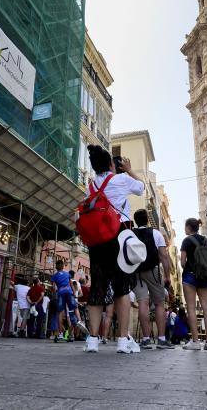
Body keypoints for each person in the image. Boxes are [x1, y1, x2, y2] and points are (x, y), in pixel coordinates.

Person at [81, 145, 144, 354]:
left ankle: (92, 340)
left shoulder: (89, 187)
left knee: (98, 288)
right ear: (110, 164)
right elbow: (141, 188)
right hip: (118, 237)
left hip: (97, 242)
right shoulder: (121, 180)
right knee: (122, 289)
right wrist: (128, 169)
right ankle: (123, 341)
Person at [132, 209, 174, 349]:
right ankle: (161, 339)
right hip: (153, 271)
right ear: (148, 220)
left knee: (142, 303)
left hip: (136, 272)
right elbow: (163, 256)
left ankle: (145, 339)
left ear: (136, 221)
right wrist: (167, 276)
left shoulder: (131, 234)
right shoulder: (156, 234)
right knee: (159, 304)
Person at [179, 218, 207, 351]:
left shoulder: (186, 241)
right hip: (205, 276)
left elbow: (183, 262)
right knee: (206, 307)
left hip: (190, 276)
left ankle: (195, 341)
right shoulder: (206, 241)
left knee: (191, 308)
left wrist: (187, 266)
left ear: (188, 227)